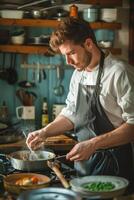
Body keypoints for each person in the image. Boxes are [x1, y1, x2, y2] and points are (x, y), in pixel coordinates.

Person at [26, 17, 134, 192]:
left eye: (71, 53)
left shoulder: (119, 73)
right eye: (64, 56)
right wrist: (45, 132)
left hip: (116, 167)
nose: (68, 62)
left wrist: (93, 144)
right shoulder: (79, 73)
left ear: (89, 44)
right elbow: (71, 114)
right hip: (84, 166)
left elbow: (133, 125)